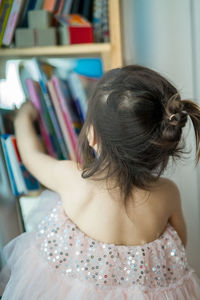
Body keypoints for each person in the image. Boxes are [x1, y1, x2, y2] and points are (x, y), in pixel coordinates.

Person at [0, 65, 200, 299]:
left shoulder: (74, 180)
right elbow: (177, 249)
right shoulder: (168, 193)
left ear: (92, 136)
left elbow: (31, 156)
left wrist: (23, 115)